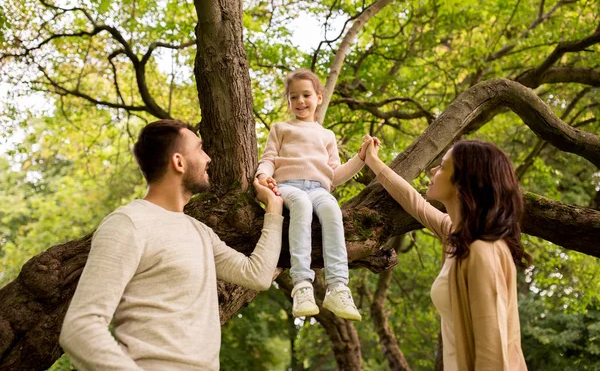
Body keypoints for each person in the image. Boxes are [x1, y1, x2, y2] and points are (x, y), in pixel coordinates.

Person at [59, 119, 284, 371]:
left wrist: (274, 208)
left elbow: (258, 275)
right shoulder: (128, 223)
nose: (208, 158)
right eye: (199, 149)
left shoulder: (199, 232)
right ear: (178, 162)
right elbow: (80, 327)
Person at [364, 137, 531, 370]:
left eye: (442, 166)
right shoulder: (456, 234)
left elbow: (492, 356)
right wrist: (372, 161)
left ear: (464, 182)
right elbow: (413, 202)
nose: (433, 169)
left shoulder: (483, 251)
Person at [256, 69, 369, 321]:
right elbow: (269, 159)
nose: (300, 102)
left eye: (306, 95)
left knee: (331, 210)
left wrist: (361, 158)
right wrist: (263, 175)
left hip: (319, 188)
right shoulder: (281, 128)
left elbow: (334, 175)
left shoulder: (327, 135)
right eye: (293, 97)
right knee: (302, 204)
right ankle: (302, 285)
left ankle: (338, 287)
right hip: (288, 185)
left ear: (319, 97)